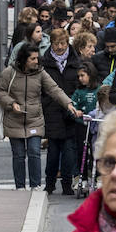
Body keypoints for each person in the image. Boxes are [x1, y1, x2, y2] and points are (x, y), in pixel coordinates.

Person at [0, 43, 82, 190]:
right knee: (18, 155)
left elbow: (54, 89)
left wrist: (68, 103)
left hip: (34, 119)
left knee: (34, 152)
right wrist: (11, 103)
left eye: (37, 58)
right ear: (24, 59)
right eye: (33, 58)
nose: (37, 61)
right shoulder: (9, 73)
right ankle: (20, 186)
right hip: (14, 120)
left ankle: (35, 185)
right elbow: (0, 91)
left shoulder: (40, 73)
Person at [42, 28, 84, 195]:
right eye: (56, 43)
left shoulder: (76, 61)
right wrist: (45, 104)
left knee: (68, 153)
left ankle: (67, 184)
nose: (59, 47)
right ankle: (50, 183)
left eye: (63, 43)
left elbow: (80, 85)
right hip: (51, 111)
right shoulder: (45, 63)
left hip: (71, 112)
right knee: (53, 152)